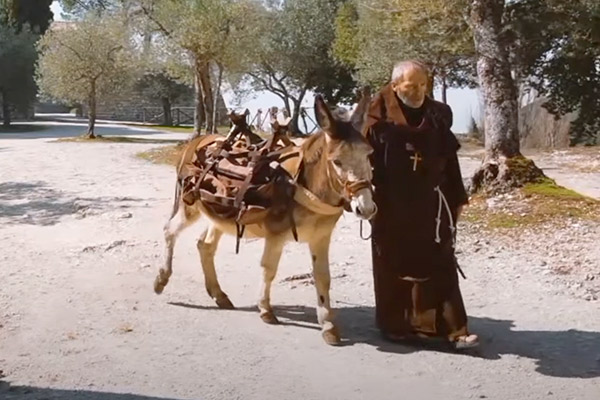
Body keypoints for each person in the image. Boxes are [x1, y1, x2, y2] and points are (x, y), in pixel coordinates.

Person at [363, 60, 479, 350]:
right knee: (392, 264)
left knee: (441, 261)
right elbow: (362, 164)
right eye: (411, 86)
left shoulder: (438, 115)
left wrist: (458, 199)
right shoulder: (376, 117)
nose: (419, 91)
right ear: (394, 85)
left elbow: (450, 161)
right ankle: (396, 326)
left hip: (432, 202)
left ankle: (455, 329)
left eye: (423, 85)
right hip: (390, 203)